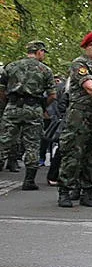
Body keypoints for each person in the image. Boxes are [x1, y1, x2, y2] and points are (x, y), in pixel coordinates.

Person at [57, 32, 92, 207]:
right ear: (86, 47)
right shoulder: (80, 63)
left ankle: (88, 191)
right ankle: (65, 191)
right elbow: (90, 88)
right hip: (80, 115)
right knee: (73, 153)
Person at [0, 41, 56, 191]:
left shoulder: (11, 66)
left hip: (12, 106)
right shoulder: (45, 70)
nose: (43, 55)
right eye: (43, 52)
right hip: (33, 108)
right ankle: (29, 180)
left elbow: (2, 89)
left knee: (4, 141)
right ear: (39, 52)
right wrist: (43, 106)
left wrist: (8, 103)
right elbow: (52, 95)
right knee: (33, 144)